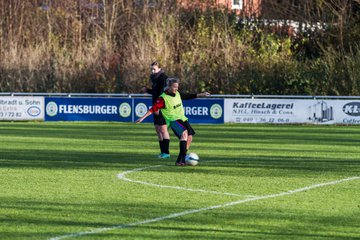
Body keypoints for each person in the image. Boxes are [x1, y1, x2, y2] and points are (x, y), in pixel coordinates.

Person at [136, 78, 210, 166]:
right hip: (173, 120)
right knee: (184, 134)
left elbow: (188, 96)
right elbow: (153, 109)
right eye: (174, 87)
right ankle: (181, 160)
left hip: (182, 119)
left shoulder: (177, 93)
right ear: (169, 87)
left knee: (189, 138)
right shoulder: (163, 98)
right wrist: (142, 117)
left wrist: (202, 94)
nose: (176, 89)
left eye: (177, 87)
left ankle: (181, 158)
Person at [141, 61, 170, 159]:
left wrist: (159, 107)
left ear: (159, 68)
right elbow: (155, 92)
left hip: (161, 107)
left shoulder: (163, 78)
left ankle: (166, 153)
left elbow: (163, 93)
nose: (152, 71)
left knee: (163, 129)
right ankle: (162, 152)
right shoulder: (153, 78)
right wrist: (147, 90)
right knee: (158, 130)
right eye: (151, 69)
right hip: (155, 106)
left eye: (154, 69)